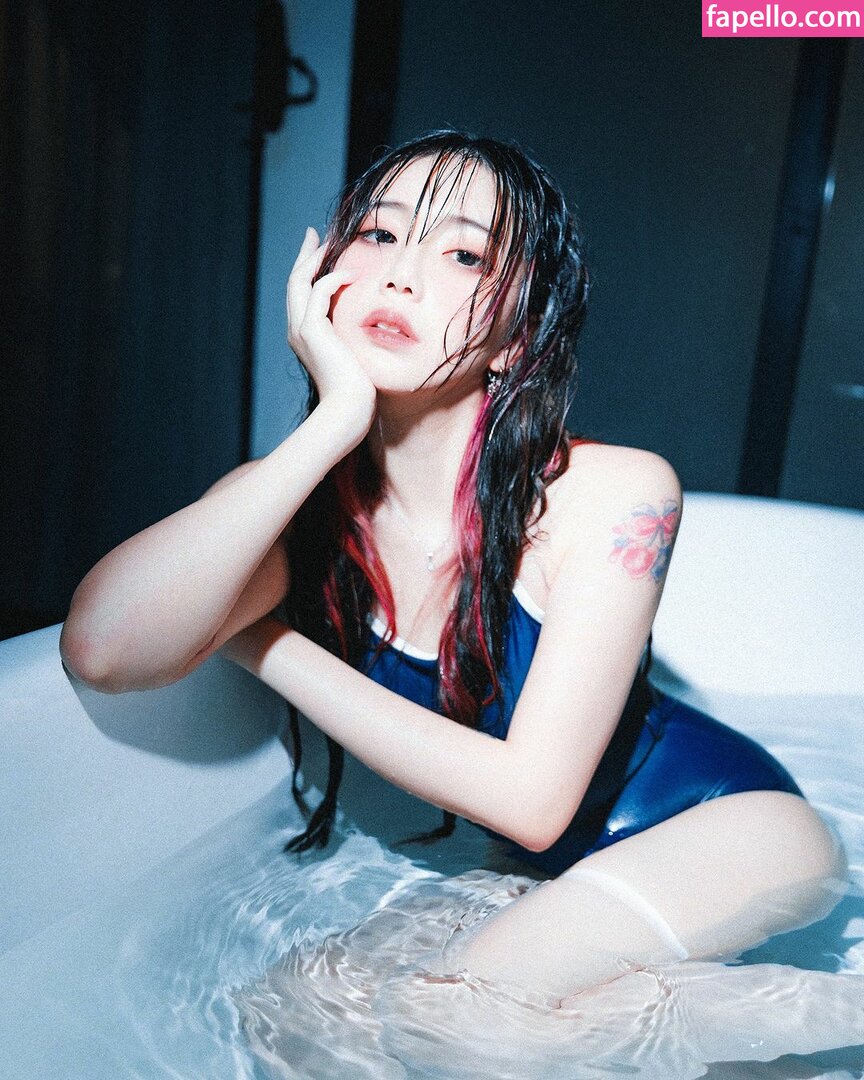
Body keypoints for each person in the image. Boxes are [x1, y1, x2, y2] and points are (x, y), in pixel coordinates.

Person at [60, 129, 846, 1001]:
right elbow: (104, 651)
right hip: (533, 876)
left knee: (456, 1016)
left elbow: (532, 803)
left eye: (464, 254)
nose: (402, 274)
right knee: (305, 1016)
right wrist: (332, 424)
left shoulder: (610, 492)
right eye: (380, 234)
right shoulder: (288, 503)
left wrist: (259, 641)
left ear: (516, 338)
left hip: (721, 831)